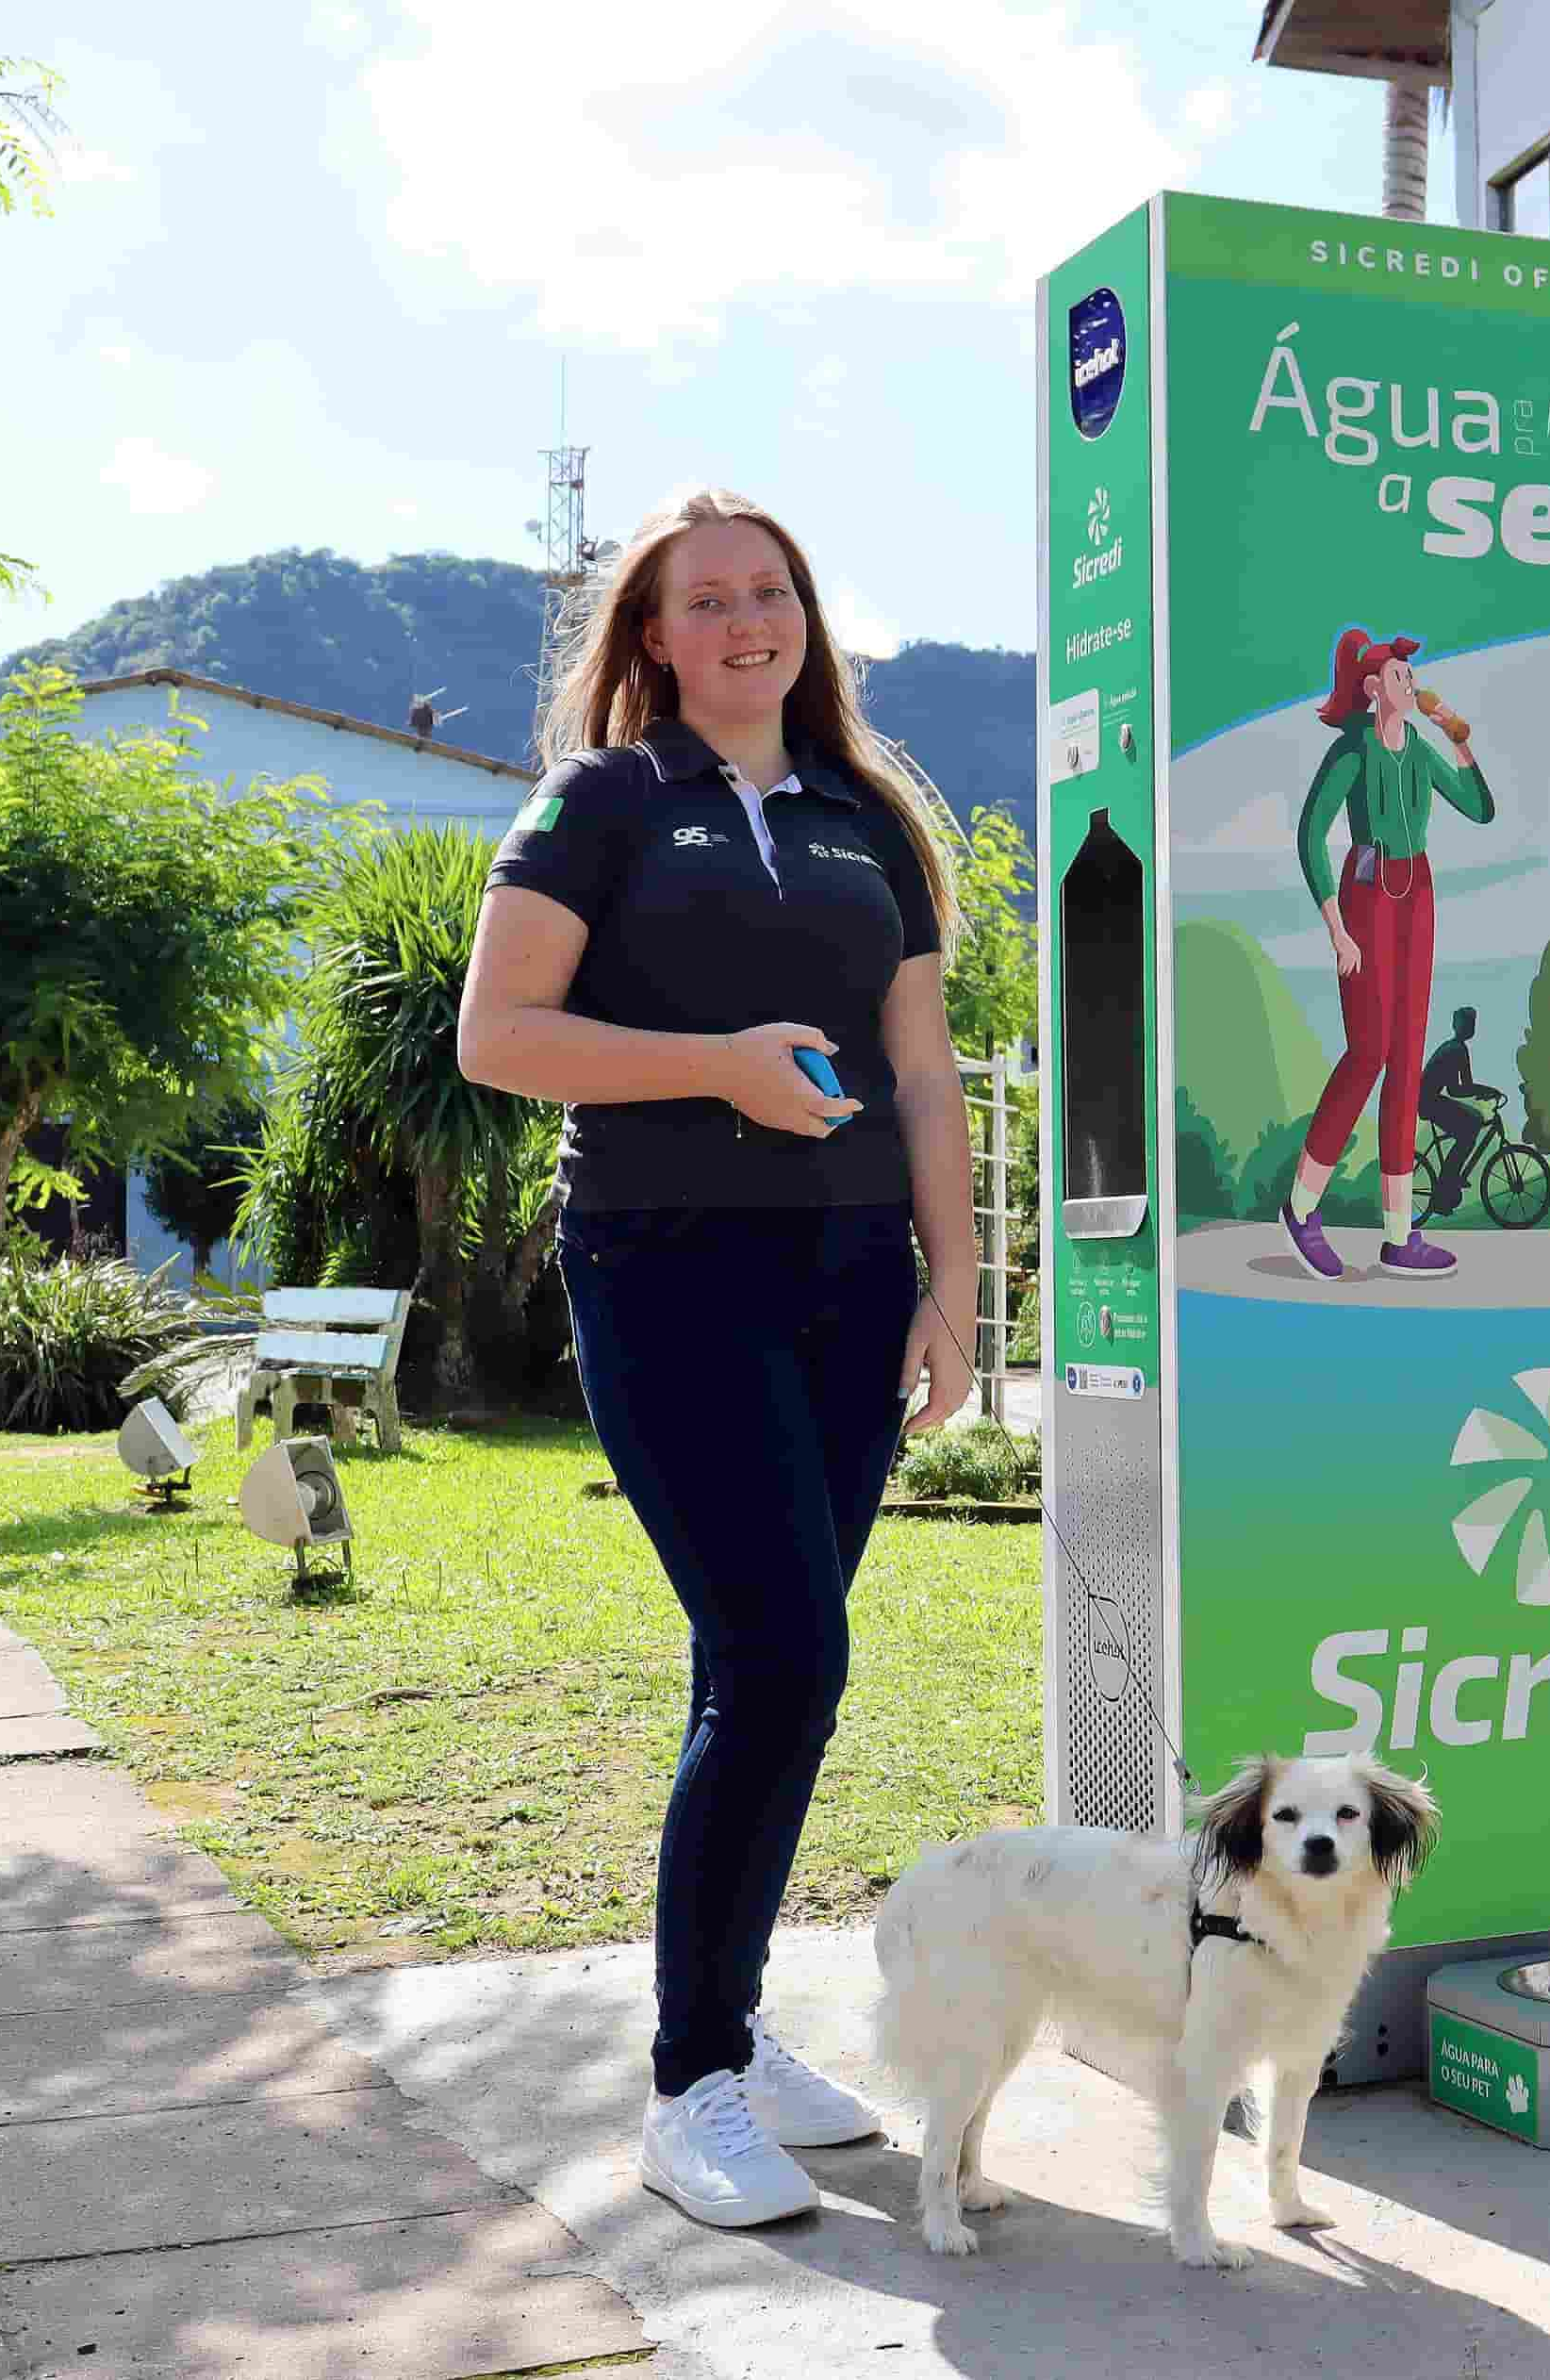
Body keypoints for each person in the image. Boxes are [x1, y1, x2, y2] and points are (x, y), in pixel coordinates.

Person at [456, 486, 974, 2233]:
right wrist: (718, 1068)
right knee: (779, 1652)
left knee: (773, 1668)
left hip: (851, 1270)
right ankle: (690, 2086)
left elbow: (921, 1073)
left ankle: (731, 2029)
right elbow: (499, 1034)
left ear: (806, 619)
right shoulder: (600, 799)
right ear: (654, 639)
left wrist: (952, 1284)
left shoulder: (870, 818)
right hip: (667, 1264)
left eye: (774, 592)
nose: (749, 620)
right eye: (708, 598)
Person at [1281, 626, 1495, 1281]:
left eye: (1411, 674)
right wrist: (1337, 929)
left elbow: (1481, 809)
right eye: (1400, 674)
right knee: (1368, 1051)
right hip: (1369, 893)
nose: (1411, 681)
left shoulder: (1424, 750)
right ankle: (1301, 1206)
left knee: (1406, 1060)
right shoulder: (1353, 750)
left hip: (1417, 894)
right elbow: (1310, 834)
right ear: (1376, 688)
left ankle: (1400, 1235)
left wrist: (1461, 740)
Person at [1418, 1005, 1501, 1201]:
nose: (1471, 1027)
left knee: (1474, 1121)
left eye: (1473, 1023)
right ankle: (1447, 1183)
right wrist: (1486, 1091)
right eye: (1468, 1023)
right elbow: (1456, 1090)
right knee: (1470, 1129)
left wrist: (1482, 1091)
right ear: (1458, 1025)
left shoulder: (1457, 1047)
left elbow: (1465, 1086)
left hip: (1430, 1098)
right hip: (1428, 1101)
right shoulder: (1455, 1049)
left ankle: (1450, 1181)